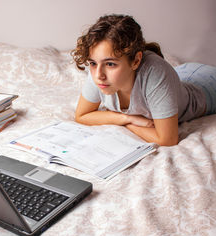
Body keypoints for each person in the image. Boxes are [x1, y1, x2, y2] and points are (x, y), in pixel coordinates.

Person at [71, 14, 216, 146]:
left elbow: (167, 139)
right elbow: (82, 115)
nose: (98, 75)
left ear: (136, 61)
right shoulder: (99, 72)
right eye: (93, 63)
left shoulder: (156, 72)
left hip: (208, 85)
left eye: (110, 64)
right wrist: (126, 119)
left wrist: (129, 125)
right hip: (182, 74)